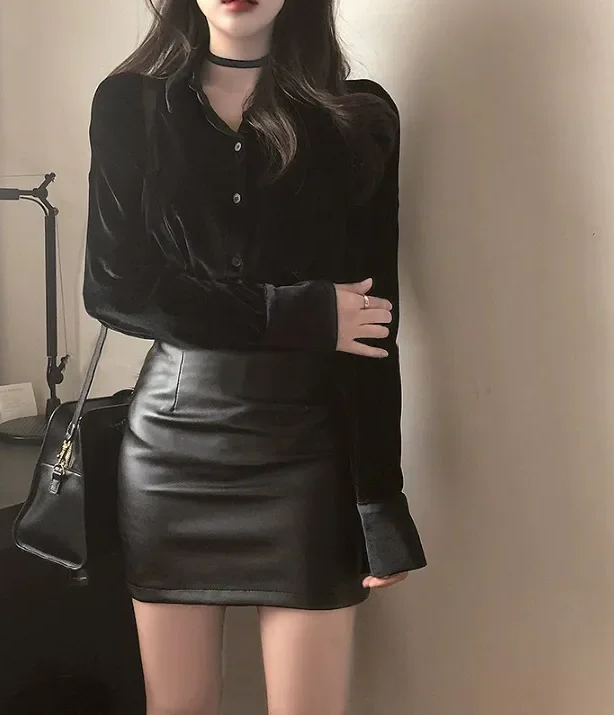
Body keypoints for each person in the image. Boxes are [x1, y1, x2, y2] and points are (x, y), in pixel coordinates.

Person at [82, 1, 427, 713]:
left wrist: (379, 497)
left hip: (308, 455)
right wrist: (293, 312)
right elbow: (115, 289)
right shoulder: (129, 106)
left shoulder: (359, 117)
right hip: (170, 455)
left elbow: (371, 326)